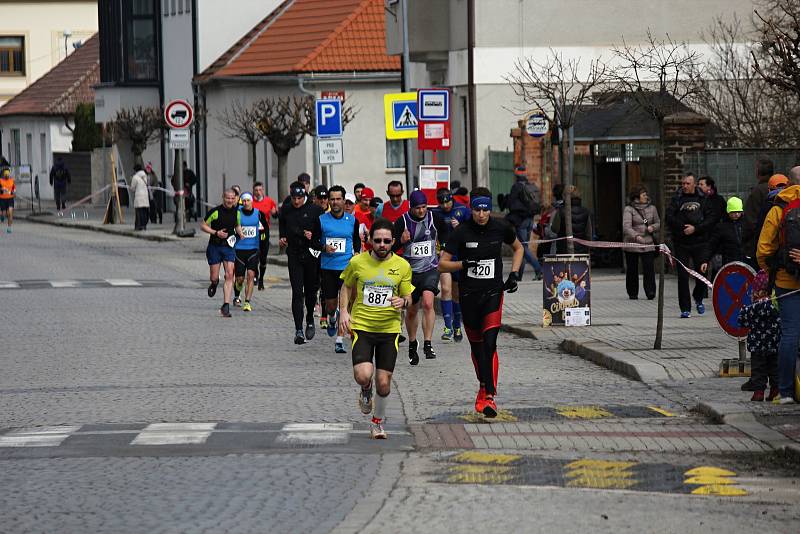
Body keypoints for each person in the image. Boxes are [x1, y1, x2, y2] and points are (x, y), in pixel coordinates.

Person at [439, 187, 524, 417]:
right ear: (471, 209)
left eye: (485, 210)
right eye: (477, 209)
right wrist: (463, 265)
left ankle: (489, 395)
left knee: (490, 343)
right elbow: (442, 264)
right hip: (468, 297)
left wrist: (514, 274)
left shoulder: (501, 227)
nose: (482, 214)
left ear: (490, 210)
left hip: (493, 293)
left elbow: (519, 248)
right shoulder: (461, 233)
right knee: (477, 348)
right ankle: (483, 386)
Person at [339, 218, 414, 439]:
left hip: (389, 330)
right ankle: (365, 389)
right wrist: (344, 312)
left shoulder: (402, 266)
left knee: (384, 383)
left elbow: (409, 296)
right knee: (363, 375)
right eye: (378, 240)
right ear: (370, 240)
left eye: (387, 241)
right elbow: (346, 286)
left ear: (393, 242)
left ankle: (377, 423)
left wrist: (404, 302)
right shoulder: (357, 262)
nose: (382, 245)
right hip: (362, 326)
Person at [757, 177, 800, 404]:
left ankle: (785, 392)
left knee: (790, 335)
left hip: (786, 281)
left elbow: (763, 249)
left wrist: (772, 271)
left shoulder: (778, 208)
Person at [393, 190, 449, 364]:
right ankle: (412, 342)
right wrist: (400, 241)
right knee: (411, 310)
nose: (421, 211)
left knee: (428, 303)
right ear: (411, 207)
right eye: (417, 208)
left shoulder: (435, 218)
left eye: (424, 207)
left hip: (430, 268)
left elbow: (447, 236)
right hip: (409, 272)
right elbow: (390, 248)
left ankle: (428, 343)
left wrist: (444, 252)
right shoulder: (401, 221)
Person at [311, 185, 361, 354]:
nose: (335, 202)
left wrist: (356, 254)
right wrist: (324, 247)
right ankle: (332, 318)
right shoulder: (321, 220)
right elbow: (313, 242)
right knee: (332, 306)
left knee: (345, 304)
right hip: (328, 268)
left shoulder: (352, 221)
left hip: (347, 268)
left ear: (343, 200)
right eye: (332, 199)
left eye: (338, 199)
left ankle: (340, 339)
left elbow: (356, 242)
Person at [279, 181, 324, 344]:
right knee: (297, 292)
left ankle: (310, 317)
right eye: (294, 198)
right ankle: (298, 329)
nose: (296, 201)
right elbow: (283, 224)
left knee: (311, 291)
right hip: (294, 255)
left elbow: (322, 230)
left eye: (299, 198)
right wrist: (282, 238)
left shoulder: (315, 210)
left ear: (304, 196)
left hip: (311, 254)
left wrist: (314, 236)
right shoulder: (286, 208)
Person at [666, 173, 715, 318]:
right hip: (682, 243)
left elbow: (710, 219)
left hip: (699, 242)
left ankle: (698, 297)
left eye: (688, 183)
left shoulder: (703, 199)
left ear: (694, 184)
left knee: (702, 273)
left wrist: (695, 228)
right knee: (682, 276)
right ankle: (685, 308)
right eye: (683, 184)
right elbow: (669, 217)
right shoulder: (677, 199)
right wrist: (683, 228)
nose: (685, 186)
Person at [432, 188, 471, 341]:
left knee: (457, 294)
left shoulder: (462, 210)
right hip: (444, 257)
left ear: (452, 199)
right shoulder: (435, 213)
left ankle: (457, 326)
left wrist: (460, 227)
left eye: (448, 202)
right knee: (446, 289)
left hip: (459, 257)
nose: (446, 206)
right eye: (442, 203)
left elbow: (472, 230)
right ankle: (447, 327)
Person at [737, 270, 780, 402]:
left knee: (758, 370)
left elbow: (741, 319)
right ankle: (775, 391)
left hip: (757, 347)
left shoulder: (752, 308)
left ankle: (759, 392)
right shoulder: (775, 307)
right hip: (774, 345)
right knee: (774, 369)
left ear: (757, 292)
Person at [200, 189, 239, 317]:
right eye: (228, 198)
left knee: (229, 274)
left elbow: (237, 225)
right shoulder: (215, 212)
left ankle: (225, 305)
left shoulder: (236, 212)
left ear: (235, 199)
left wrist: (241, 233)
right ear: (223, 198)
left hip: (229, 247)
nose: (230, 200)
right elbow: (203, 225)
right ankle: (214, 283)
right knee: (214, 277)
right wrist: (216, 233)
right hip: (215, 247)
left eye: (232, 198)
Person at [232, 192, 269, 312]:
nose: (246, 203)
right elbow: (232, 229)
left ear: (252, 201)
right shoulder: (237, 214)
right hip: (239, 250)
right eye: (244, 201)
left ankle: (247, 302)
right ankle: (237, 293)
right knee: (239, 279)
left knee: (251, 275)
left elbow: (264, 232)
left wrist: (263, 245)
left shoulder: (259, 214)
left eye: (248, 200)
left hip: (253, 249)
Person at [504, 166, 543, 280]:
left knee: (521, 247)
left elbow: (510, 204)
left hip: (520, 221)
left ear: (516, 176)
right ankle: (518, 275)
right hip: (530, 219)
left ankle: (539, 269)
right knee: (523, 246)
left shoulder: (516, 187)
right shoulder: (531, 187)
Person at [622, 186, 660, 300]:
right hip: (633, 244)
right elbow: (626, 227)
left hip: (648, 243)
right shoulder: (629, 209)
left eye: (645, 194)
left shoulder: (652, 208)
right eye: (643, 195)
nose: (646, 197)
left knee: (649, 268)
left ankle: (650, 291)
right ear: (636, 197)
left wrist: (653, 227)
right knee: (632, 269)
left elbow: (658, 222)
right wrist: (636, 236)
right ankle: (632, 293)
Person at [743, 158, 775, 269]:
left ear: (757, 172)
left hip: (759, 246)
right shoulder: (782, 190)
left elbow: (750, 222)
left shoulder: (757, 192)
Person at [702, 197, 746, 271]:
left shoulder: (745, 224)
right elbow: (712, 244)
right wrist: (705, 260)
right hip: (727, 262)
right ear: (728, 212)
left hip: (743, 261)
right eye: (734, 212)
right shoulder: (721, 227)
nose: (737, 214)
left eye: (739, 212)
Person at [251, 182, 277, 290]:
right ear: (253, 191)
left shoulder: (269, 201)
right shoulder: (249, 201)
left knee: (263, 256)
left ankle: (261, 278)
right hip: (253, 231)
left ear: (263, 190)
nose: (258, 192)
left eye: (260, 190)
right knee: (255, 254)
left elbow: (275, 216)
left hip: (264, 232)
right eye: (256, 190)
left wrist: (274, 213)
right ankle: (255, 276)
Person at [552, 187, 593, 254]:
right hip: (582, 251)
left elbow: (554, 229)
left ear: (565, 196)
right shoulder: (586, 211)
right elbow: (589, 233)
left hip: (564, 250)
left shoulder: (560, 211)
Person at [129, 164, 150, 231]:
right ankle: (144, 225)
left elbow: (132, 188)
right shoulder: (145, 176)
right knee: (144, 211)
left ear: (135, 170)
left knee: (139, 212)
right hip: (145, 196)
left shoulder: (135, 177)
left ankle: (139, 226)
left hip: (139, 196)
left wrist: (131, 181)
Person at [0, 167, 16, 233]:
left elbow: (14, 189)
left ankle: (9, 228)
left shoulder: (12, 181)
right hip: (2, 199)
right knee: (3, 213)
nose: (6, 175)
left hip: (10, 199)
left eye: (8, 174)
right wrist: (2, 189)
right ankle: (2, 216)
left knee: (10, 213)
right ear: (3, 175)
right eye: (5, 174)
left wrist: (13, 192)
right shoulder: (0, 181)